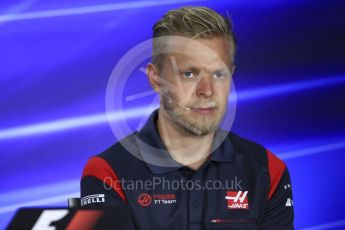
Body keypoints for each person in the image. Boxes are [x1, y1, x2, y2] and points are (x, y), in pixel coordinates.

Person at [81, 6, 294, 229]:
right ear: (155, 79)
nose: (207, 90)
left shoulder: (269, 170)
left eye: (218, 74)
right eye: (189, 73)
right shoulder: (106, 172)